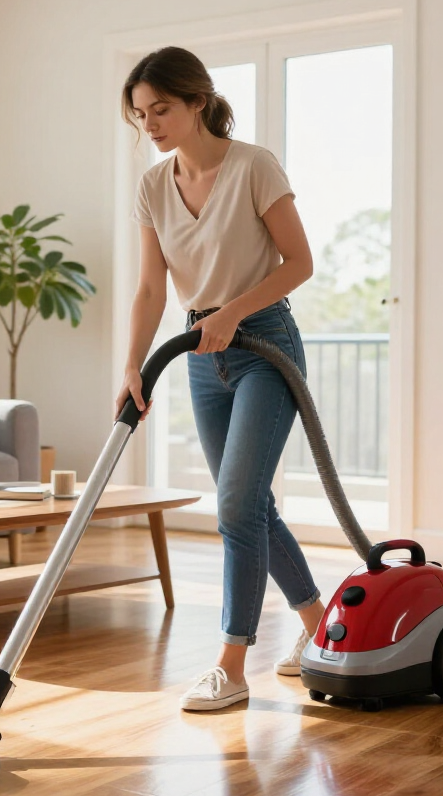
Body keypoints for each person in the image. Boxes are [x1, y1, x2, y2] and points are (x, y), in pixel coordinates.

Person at [115, 46, 325, 712]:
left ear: (197, 101)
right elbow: (151, 287)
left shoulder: (254, 166)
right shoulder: (152, 186)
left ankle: (232, 666)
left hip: (266, 345)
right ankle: (322, 630)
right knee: (250, 503)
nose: (150, 124)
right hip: (202, 354)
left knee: (234, 505)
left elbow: (299, 262)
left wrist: (234, 313)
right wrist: (131, 364)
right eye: (141, 114)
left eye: (161, 109)